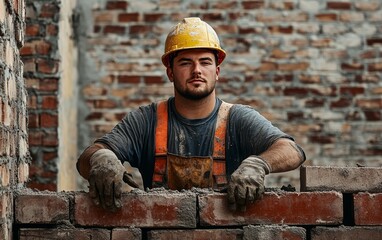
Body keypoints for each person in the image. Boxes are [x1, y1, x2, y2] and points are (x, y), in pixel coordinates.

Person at [77, 17, 306, 212]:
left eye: (205, 62)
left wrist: (258, 164)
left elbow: (291, 151)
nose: (196, 70)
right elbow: (87, 158)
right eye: (185, 62)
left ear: (216, 71)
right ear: (170, 71)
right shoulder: (147, 120)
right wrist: (101, 159)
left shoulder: (237, 119)